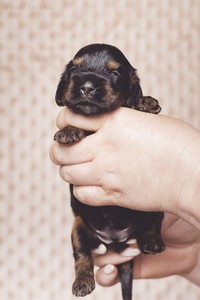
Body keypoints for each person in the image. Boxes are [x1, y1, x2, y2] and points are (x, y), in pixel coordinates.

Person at [49, 107, 200, 287]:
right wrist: (193, 257)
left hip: (136, 221)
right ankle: (83, 269)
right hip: (93, 223)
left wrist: (188, 177)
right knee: (80, 229)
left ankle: (148, 234)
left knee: (152, 212)